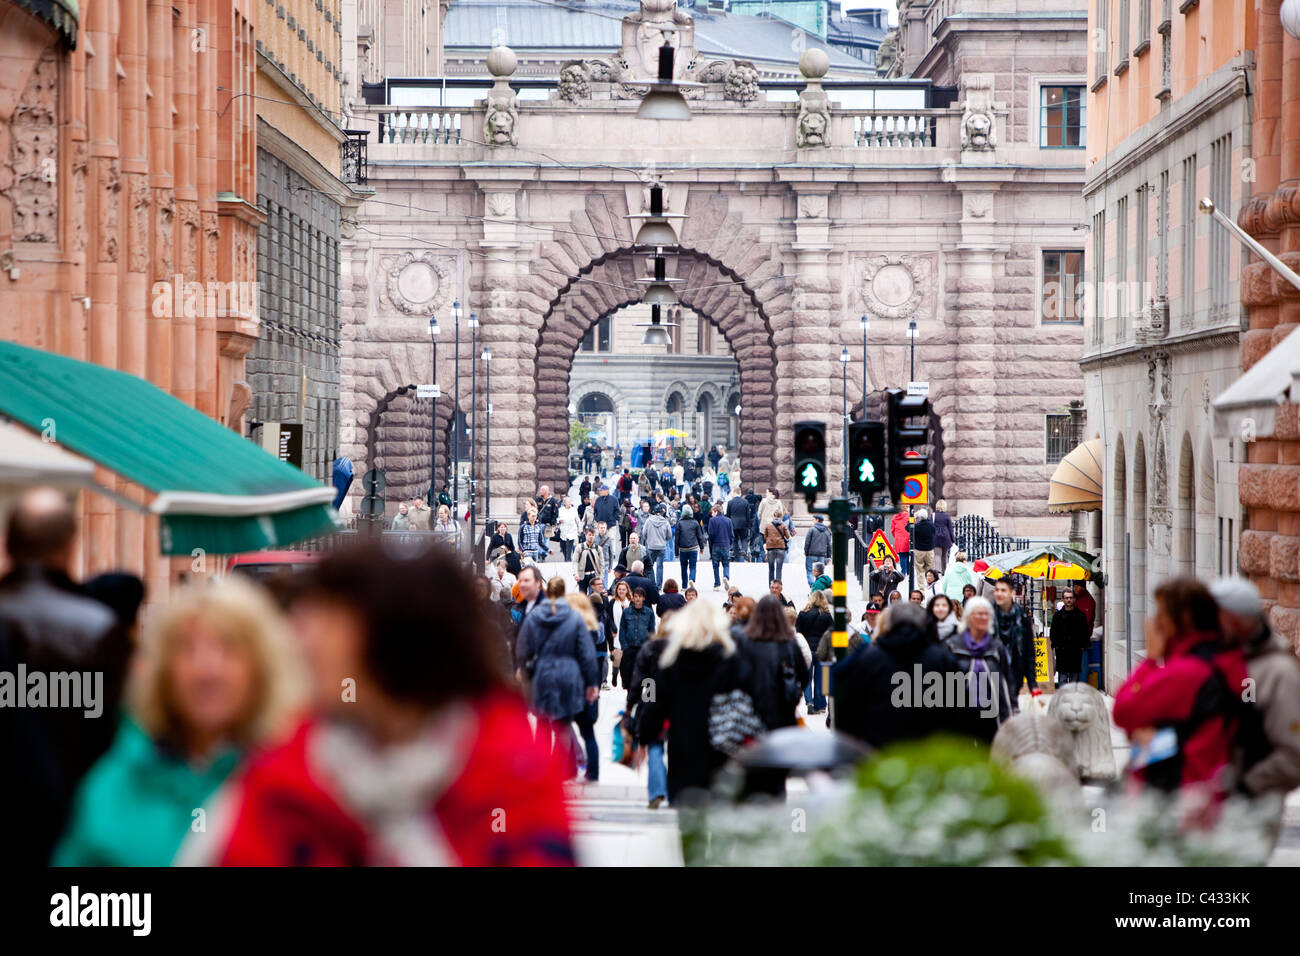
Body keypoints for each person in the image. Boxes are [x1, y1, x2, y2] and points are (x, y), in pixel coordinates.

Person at [186, 542, 576, 866]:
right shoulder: (286, 768)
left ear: (385, 641)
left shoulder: (513, 770)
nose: (303, 638)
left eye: (325, 621)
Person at [55, 579, 302, 866]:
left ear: (261, 668)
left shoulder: (298, 788)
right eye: (186, 649)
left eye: (229, 647)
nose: (207, 669)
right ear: (163, 670)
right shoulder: (115, 783)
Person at [0, 488, 131, 865]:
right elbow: (114, 741)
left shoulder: (95, 629)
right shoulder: (98, 630)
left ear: (8, 545)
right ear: (69, 547)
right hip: (71, 829)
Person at [1113, 578, 1249, 810]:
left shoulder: (1186, 673)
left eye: (1162, 614)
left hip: (1179, 801)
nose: (1156, 622)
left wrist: (1151, 660)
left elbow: (1123, 711)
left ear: (1184, 618)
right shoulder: (1229, 660)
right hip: (1211, 795)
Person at [832, 603, 968, 750]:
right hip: (930, 749)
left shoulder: (868, 657)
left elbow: (843, 693)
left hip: (878, 749)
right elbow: (961, 709)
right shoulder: (943, 659)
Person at [1210, 577, 1300, 799]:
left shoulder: (1279, 672)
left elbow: (1293, 754)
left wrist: (1243, 787)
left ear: (1234, 620)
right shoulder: (1219, 659)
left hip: (1250, 811)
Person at [943, 595, 1014, 742]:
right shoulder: (953, 646)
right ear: (968, 617)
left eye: (986, 614)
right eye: (979, 614)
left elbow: (1008, 681)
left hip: (991, 712)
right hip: (961, 714)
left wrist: (1011, 710)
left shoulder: (996, 646)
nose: (983, 617)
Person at [564, 591, 605, 783]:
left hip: (572, 685)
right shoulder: (593, 629)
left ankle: (570, 767)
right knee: (588, 732)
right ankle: (593, 771)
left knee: (565, 728)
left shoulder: (570, 631)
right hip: (588, 684)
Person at [992, 578, 1036, 700]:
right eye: (997, 590)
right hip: (990, 674)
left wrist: (1033, 684)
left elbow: (1029, 652)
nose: (999, 593)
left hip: (1014, 675)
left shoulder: (1021, 618)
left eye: (1003, 590)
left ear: (1012, 593)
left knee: (1009, 713)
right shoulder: (987, 615)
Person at [796, 591, 833, 714]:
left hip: (807, 649)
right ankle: (820, 704)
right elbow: (831, 633)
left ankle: (809, 702)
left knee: (807, 677)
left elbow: (798, 631)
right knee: (821, 678)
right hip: (822, 649)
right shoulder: (827, 616)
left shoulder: (802, 614)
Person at [1049, 587, 1092, 687]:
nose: (1069, 600)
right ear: (1063, 599)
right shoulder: (1058, 616)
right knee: (1063, 678)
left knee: (1074, 678)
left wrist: (1083, 645)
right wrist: (1056, 645)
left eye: (1071, 597)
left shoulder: (1081, 616)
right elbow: (1053, 632)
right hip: (1062, 652)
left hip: (1075, 652)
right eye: (1066, 598)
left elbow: (1085, 632)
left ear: (1074, 599)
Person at [617, 587, 657, 693]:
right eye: (635, 596)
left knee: (646, 673)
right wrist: (625, 646)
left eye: (640, 596)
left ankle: (647, 697)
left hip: (643, 648)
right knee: (627, 672)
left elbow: (652, 631)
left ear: (643, 598)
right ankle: (630, 694)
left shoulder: (649, 613)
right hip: (629, 647)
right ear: (633, 598)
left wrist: (650, 647)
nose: (637, 599)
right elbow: (622, 630)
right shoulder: (626, 612)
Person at [605, 579, 633, 689]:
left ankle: (624, 679)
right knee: (617, 657)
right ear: (617, 590)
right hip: (616, 633)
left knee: (626, 659)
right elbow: (609, 617)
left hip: (628, 633)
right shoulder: (613, 602)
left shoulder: (630, 602)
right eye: (619, 589)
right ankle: (615, 675)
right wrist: (613, 628)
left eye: (623, 589)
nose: (621, 591)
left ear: (627, 591)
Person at [641, 504, 672, 587]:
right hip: (661, 547)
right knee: (660, 566)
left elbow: (644, 533)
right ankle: (659, 585)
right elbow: (669, 535)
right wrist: (664, 540)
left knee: (650, 566)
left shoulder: (648, 520)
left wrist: (648, 540)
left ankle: (652, 583)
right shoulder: (665, 521)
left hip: (651, 546)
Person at [674, 504, 704, 587]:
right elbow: (699, 536)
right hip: (693, 548)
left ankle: (684, 585)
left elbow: (677, 539)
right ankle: (691, 578)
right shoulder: (695, 522)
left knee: (683, 568)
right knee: (693, 566)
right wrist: (701, 547)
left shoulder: (679, 523)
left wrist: (676, 553)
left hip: (683, 549)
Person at [706, 502, 734, 591]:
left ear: (716, 511)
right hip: (726, 544)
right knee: (726, 564)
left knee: (715, 565)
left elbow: (711, 534)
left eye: (712, 512)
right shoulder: (728, 520)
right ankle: (726, 576)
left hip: (716, 545)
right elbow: (731, 534)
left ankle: (717, 584)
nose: (711, 514)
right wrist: (730, 544)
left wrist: (711, 543)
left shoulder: (712, 520)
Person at [762, 504, 792, 584]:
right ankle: (778, 586)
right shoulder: (783, 525)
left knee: (771, 569)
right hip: (780, 549)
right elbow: (787, 536)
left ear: (774, 515)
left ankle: (771, 586)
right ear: (781, 516)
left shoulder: (768, 525)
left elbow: (765, 536)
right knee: (779, 569)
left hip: (771, 549)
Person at [573, 527, 605, 594]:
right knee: (582, 596)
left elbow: (602, 563)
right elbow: (575, 561)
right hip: (582, 576)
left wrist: (601, 577)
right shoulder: (579, 547)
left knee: (593, 596)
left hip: (594, 575)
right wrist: (576, 573)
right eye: (589, 535)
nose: (591, 537)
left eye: (593, 535)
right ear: (586, 535)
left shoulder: (598, 548)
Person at [725, 490, 751, 563]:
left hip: (733, 523)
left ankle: (736, 557)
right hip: (743, 523)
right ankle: (744, 551)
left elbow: (728, 514)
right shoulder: (745, 502)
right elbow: (747, 514)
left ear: (734, 492)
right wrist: (748, 523)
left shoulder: (730, 502)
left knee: (735, 540)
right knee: (744, 538)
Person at [911, 508, 936, 579]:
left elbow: (908, 528)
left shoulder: (917, 527)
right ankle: (930, 585)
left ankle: (922, 588)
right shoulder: (931, 526)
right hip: (929, 550)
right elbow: (934, 532)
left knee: (919, 571)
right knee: (930, 570)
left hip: (919, 550)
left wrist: (913, 518)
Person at [933, 500, 955, 574]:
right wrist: (953, 539)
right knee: (944, 555)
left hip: (936, 536)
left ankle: (937, 569)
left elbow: (931, 526)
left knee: (937, 554)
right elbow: (950, 529)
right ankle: (944, 571)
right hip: (946, 536)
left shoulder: (933, 515)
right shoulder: (947, 516)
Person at [556, 497, 580, 561]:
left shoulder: (574, 510)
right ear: (564, 503)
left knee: (569, 548)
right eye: (568, 502)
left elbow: (577, 520)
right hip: (563, 531)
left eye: (570, 502)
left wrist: (579, 529)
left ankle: (568, 560)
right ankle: (566, 558)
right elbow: (557, 519)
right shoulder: (560, 510)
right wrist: (559, 521)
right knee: (563, 547)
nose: (569, 503)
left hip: (572, 531)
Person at [890, 509, 912, 577]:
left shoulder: (895, 517)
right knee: (908, 554)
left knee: (902, 555)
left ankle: (903, 571)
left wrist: (896, 536)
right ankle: (908, 570)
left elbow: (892, 529)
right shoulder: (909, 516)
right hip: (908, 537)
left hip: (899, 538)